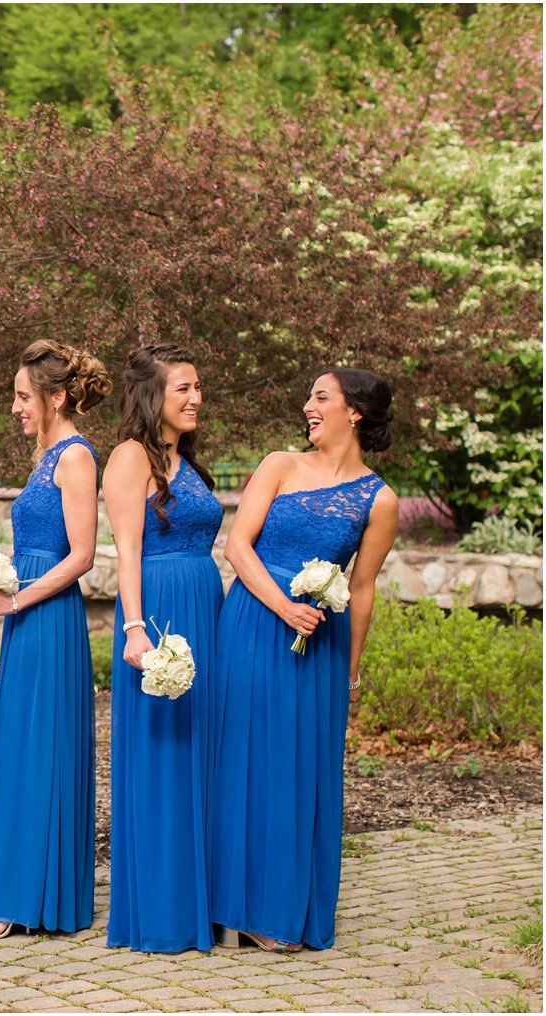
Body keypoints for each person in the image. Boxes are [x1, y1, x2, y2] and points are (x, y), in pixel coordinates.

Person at [209, 369, 398, 952]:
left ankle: (278, 908)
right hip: (252, 622)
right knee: (241, 758)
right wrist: (285, 608)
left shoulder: (380, 499)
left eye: (321, 397)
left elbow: (361, 587)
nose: (307, 406)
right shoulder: (279, 465)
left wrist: (350, 672)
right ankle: (225, 905)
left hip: (319, 644)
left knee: (296, 771)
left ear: (355, 412)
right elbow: (237, 545)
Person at [0, 340, 111, 942]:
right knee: (20, 746)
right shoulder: (44, 453)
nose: (16, 407)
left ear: (56, 398)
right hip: (27, 613)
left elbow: (80, 555)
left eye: (24, 397)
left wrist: (17, 597)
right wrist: (3, 573)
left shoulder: (76, 456)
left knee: (38, 748)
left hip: (48, 619)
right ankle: (22, 887)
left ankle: (29, 897)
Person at [102, 344, 221, 953]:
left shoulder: (185, 461)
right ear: (154, 397)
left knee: (204, 754)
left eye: (198, 387)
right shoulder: (129, 457)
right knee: (164, 755)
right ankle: (163, 907)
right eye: (184, 389)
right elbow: (126, 550)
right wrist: (135, 629)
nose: (196, 397)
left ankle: (205, 893)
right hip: (160, 615)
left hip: (206, 608)